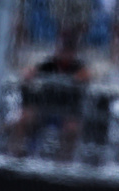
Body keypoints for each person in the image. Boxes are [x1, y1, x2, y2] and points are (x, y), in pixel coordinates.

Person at [11, 33, 91, 161]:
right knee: (24, 117)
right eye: (62, 50)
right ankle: (17, 154)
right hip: (45, 108)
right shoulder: (49, 64)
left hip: (67, 111)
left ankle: (64, 161)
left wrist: (76, 78)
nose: (64, 53)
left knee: (72, 128)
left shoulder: (78, 66)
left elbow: (87, 76)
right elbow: (29, 73)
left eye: (68, 50)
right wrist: (29, 74)